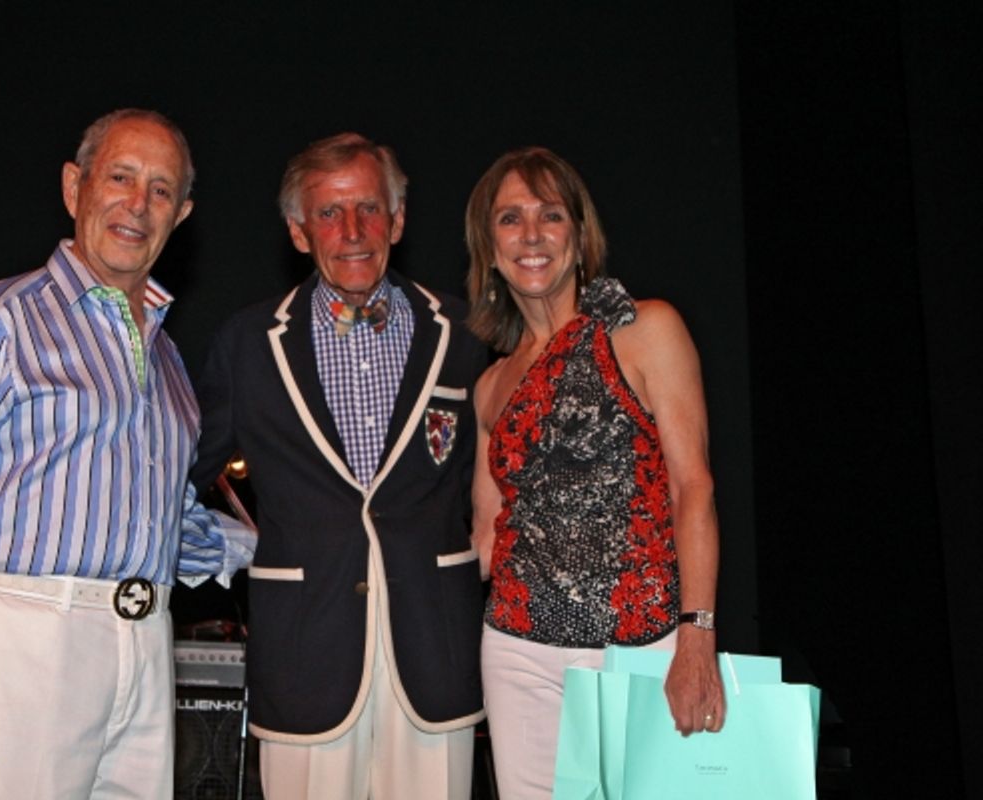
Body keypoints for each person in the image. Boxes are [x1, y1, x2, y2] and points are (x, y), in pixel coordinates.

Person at [0, 108, 254, 799]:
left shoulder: (165, 361)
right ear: (75, 187)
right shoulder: (1, 318)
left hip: (144, 648)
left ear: (183, 213)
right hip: (22, 647)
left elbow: (161, 521)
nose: (138, 204)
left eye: (161, 190)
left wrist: (282, 544)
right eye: (121, 177)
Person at [192, 133, 488, 800]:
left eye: (368, 209)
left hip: (434, 654)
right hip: (304, 655)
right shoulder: (247, 344)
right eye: (329, 213)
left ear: (398, 220)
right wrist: (225, 547)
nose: (352, 231)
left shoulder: (467, 336)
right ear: (299, 233)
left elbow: (505, 479)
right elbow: (182, 474)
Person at [465, 147, 725, 798]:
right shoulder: (490, 386)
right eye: (509, 219)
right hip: (516, 654)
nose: (530, 235)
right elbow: (486, 539)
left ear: (579, 237)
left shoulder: (645, 330)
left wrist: (698, 638)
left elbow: (695, 487)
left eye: (550, 215)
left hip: (640, 646)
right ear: (488, 249)